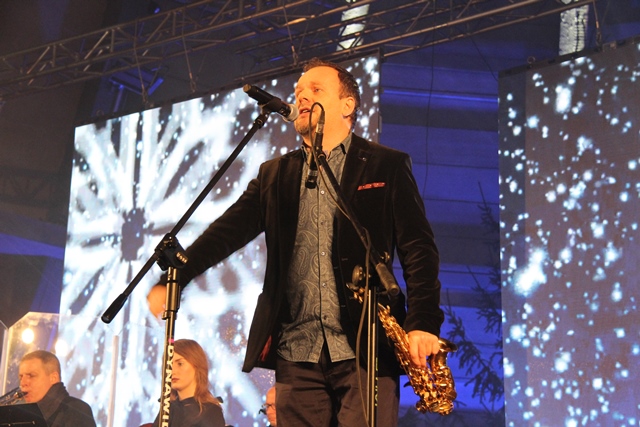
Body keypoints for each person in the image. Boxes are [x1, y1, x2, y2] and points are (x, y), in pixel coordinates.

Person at [148, 58, 444, 426]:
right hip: (297, 351)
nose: (302, 97)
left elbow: (419, 249)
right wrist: (175, 278)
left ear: (348, 105)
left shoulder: (385, 165)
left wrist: (423, 322)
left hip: (365, 345)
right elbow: (227, 232)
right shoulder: (276, 174)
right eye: (298, 91)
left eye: (316, 90)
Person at [152, 339, 226, 427]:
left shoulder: (210, 411)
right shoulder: (168, 409)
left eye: (180, 364)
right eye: (169, 365)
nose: (172, 371)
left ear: (197, 365)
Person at [18, 350, 96, 427]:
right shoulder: (22, 415)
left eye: (32, 376)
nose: (23, 383)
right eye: (21, 377)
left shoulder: (77, 410)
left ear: (53, 378)